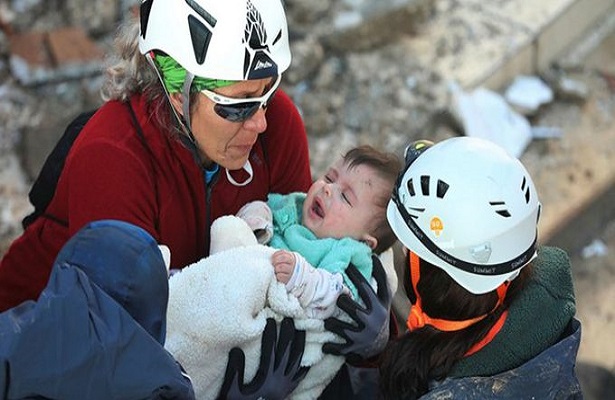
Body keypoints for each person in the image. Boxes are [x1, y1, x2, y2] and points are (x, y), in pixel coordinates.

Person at [0, 0, 393, 398]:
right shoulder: (114, 155)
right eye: (237, 105)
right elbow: (118, 353)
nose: (260, 121)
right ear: (176, 92)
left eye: (266, 92)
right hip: (48, 357)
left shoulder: (275, 126)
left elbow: (313, 252)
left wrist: (372, 339)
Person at [380, 137, 582, 399]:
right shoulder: (546, 303)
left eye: (410, 248)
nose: (406, 253)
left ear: (430, 273)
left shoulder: (438, 387)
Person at [237, 145, 401, 319]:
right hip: (247, 282)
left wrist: (301, 278)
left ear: (365, 242)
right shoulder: (297, 204)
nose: (328, 189)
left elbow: (337, 298)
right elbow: (270, 206)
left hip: (285, 322)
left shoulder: (350, 254)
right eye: (330, 178)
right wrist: (258, 217)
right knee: (228, 230)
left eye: (345, 197)